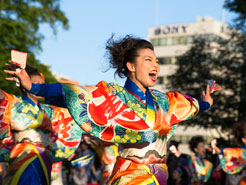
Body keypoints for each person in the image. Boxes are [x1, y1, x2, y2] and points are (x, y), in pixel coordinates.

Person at [4, 35, 218, 184]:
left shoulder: (165, 101)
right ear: (130, 66)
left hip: (159, 176)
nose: (155, 65)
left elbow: (191, 106)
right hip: (130, 176)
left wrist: (206, 102)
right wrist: (34, 87)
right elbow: (72, 93)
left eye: (156, 60)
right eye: (148, 60)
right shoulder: (113, 96)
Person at [0, 65, 83, 185]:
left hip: (45, 156)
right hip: (24, 153)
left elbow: (74, 107)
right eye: (36, 83)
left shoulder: (49, 110)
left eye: (42, 84)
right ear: (24, 84)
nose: (40, 86)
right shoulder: (14, 103)